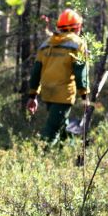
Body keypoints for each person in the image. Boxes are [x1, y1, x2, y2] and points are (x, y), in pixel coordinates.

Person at [26, 8, 89, 143]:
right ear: (77, 27)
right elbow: (80, 70)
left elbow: (36, 70)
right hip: (63, 94)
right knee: (52, 130)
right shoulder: (78, 43)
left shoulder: (47, 43)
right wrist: (85, 95)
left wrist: (33, 95)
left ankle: (70, 151)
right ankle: (41, 155)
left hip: (48, 92)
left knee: (61, 124)